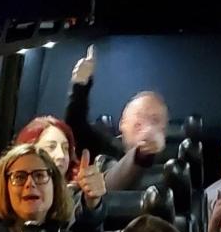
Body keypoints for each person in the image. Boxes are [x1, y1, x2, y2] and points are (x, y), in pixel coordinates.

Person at [64, 45, 170, 191]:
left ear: (163, 130)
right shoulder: (103, 148)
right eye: (139, 116)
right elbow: (74, 127)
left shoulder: (173, 167)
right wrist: (79, 87)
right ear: (122, 123)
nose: (145, 124)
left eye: (154, 120)